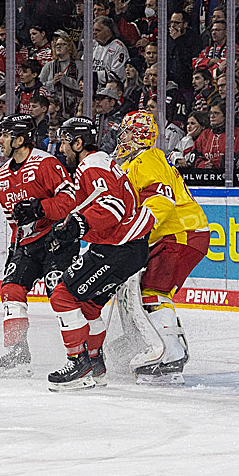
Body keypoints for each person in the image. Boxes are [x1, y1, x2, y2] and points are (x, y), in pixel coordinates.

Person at [43, 116, 154, 391]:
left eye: (65, 143)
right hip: (127, 249)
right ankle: (95, 364)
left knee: (62, 296)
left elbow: (113, 207)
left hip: (117, 249)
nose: (61, 149)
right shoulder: (102, 163)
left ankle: (78, 364)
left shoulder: (91, 165)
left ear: (79, 143)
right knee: (89, 306)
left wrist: (80, 224)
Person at [111, 111, 209, 384]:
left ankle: (171, 354)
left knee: (154, 290)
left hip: (181, 233)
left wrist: (133, 232)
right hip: (175, 234)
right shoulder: (136, 163)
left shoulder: (147, 159)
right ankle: (163, 347)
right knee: (147, 290)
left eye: (128, 132)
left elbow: (161, 202)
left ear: (140, 135)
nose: (122, 137)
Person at [0, 113, 78, 378]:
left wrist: (40, 208)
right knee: (11, 288)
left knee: (62, 294)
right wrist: (14, 250)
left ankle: (83, 354)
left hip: (57, 240)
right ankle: (18, 351)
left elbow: (70, 200)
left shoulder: (45, 163)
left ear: (19, 139)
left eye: (5, 135)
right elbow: (13, 222)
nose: (0, 140)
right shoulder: (1, 177)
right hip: (27, 244)